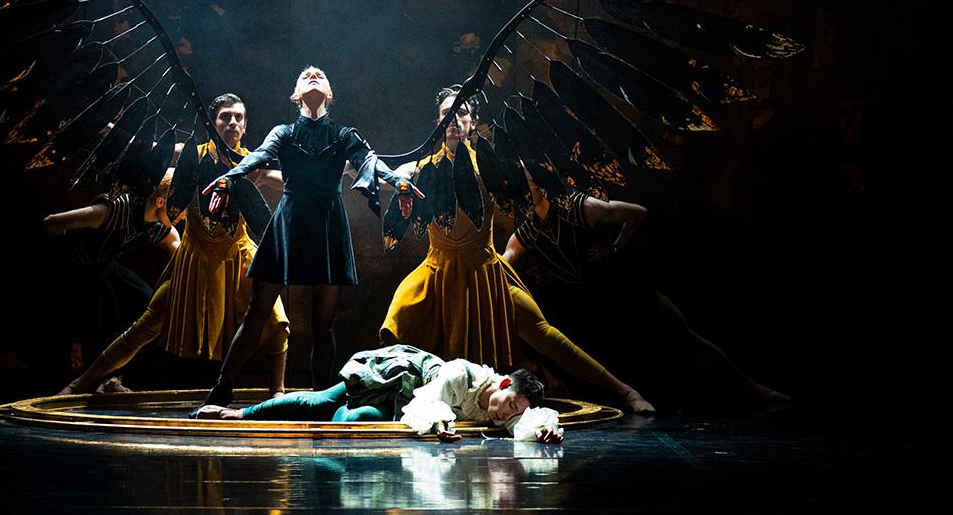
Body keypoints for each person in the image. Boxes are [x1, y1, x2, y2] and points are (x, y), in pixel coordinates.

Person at [379, 88, 654, 414]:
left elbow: (537, 177)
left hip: (486, 270)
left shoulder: (491, 167)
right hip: (438, 271)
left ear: (473, 123)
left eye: (462, 113)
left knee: (547, 336)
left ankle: (625, 392)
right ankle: (377, 397)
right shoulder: (424, 168)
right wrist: (363, 169)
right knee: (396, 327)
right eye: (446, 115)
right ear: (437, 123)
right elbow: (394, 176)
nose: (454, 121)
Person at [191, 66, 424, 412]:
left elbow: (370, 162)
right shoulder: (283, 132)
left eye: (320, 75)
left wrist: (399, 182)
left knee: (322, 322)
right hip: (289, 223)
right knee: (258, 310)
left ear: (329, 95)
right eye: (305, 75)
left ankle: (319, 398)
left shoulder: (345, 135)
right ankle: (222, 388)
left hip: (327, 226)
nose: (313, 74)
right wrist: (229, 177)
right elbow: (259, 156)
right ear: (296, 95)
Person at [57, 93, 291, 396]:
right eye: (225, 116)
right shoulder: (191, 154)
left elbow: (286, 178)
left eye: (238, 117)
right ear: (212, 123)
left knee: (277, 321)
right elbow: (144, 150)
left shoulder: (252, 162)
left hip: (239, 257)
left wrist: (331, 173)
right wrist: (100, 126)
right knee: (148, 324)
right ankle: (80, 383)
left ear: (245, 126)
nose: (232, 122)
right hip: (194, 257)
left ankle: (278, 392)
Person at [503, 176, 788, 407]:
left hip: (629, 287)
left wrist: (614, 248)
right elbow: (504, 260)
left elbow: (636, 213)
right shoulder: (528, 231)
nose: (527, 187)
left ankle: (750, 388)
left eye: (530, 180)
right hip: (597, 301)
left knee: (683, 335)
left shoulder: (580, 206)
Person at [0, 182, 177, 395]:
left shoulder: (156, 226)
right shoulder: (118, 208)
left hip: (98, 270)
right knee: (14, 324)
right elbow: (52, 223)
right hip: (63, 264)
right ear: (159, 202)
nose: (182, 214)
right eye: (179, 206)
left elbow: (175, 240)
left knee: (140, 303)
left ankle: (110, 380)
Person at [197, 344, 562, 443]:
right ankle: (239, 414)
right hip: (395, 376)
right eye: (510, 404)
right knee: (322, 401)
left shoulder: (509, 411)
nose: (506, 414)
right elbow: (428, 401)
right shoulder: (460, 374)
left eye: (515, 412)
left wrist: (547, 429)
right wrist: (438, 425)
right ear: (502, 385)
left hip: (398, 407)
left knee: (356, 422)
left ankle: (332, 446)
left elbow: (536, 421)